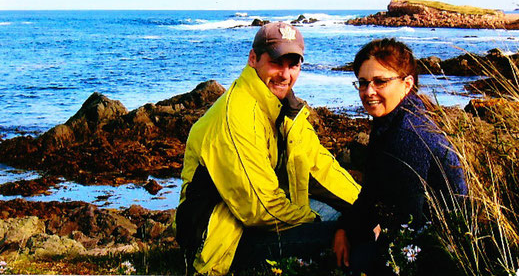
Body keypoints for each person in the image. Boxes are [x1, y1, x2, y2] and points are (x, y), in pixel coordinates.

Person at [175, 22, 361, 275]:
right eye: (276, 62)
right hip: (219, 239)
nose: (285, 74)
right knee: (343, 235)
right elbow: (260, 208)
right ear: (254, 59)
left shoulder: (283, 108)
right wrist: (322, 224)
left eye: (293, 64)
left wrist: (367, 209)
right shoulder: (239, 114)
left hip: (253, 218)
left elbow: (321, 166)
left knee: (351, 222)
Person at [333, 38, 468, 275]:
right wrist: (344, 228)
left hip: (432, 254)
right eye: (363, 83)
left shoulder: (408, 135)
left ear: (407, 84)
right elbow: (372, 193)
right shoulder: (390, 121)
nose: (369, 92)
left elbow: (407, 222)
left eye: (380, 82)